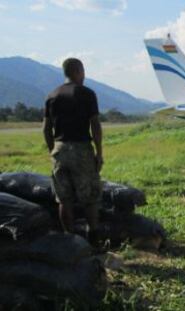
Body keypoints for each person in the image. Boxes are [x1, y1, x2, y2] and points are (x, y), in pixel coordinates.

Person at [43, 58, 103, 246]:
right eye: (82, 72)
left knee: (64, 199)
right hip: (81, 149)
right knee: (90, 197)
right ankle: (94, 239)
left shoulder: (52, 95)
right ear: (79, 71)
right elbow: (95, 125)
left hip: (60, 149)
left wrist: (52, 149)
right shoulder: (87, 94)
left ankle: (70, 241)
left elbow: (46, 128)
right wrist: (99, 152)